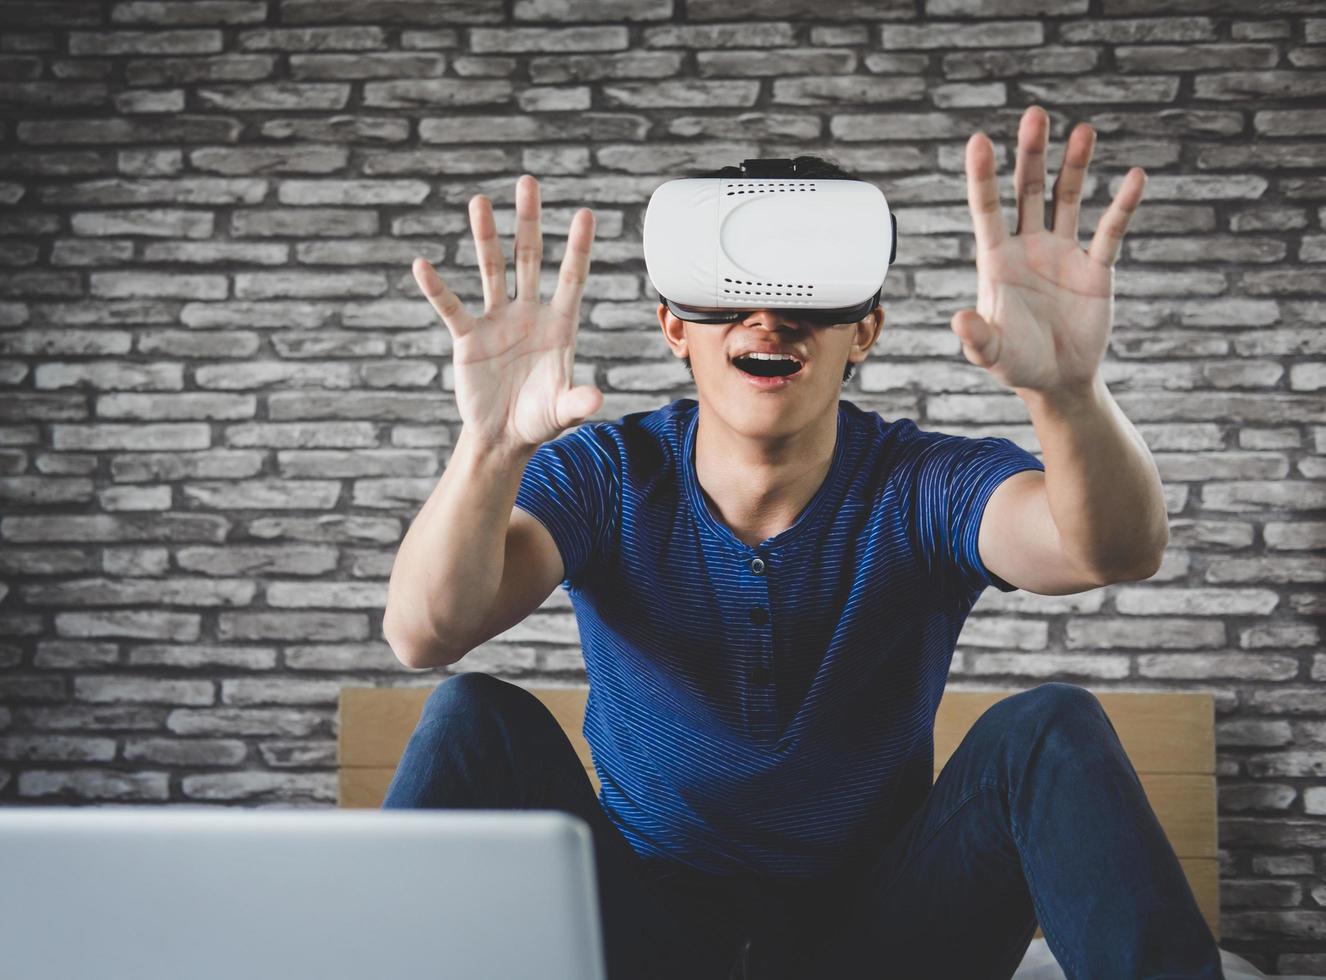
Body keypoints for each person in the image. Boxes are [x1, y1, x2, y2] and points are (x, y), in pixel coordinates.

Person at [379, 104, 1225, 980]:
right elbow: (425, 632)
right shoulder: (609, 474)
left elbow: (1107, 551)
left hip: (880, 937)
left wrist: (1071, 396)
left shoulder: (919, 483)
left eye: (808, 291)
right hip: (643, 933)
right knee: (473, 714)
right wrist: (489, 446)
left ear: (864, 329)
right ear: (675, 328)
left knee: (1051, 726)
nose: (769, 316)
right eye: (731, 289)